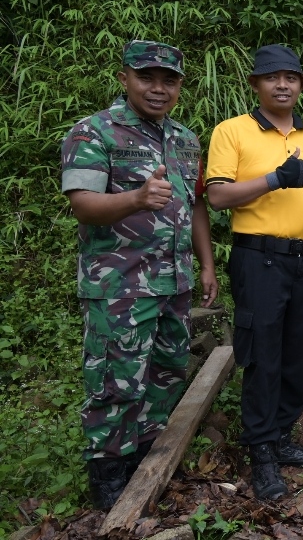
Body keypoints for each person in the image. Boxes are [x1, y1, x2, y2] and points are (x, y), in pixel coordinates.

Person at [61, 40, 218, 509]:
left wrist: (207, 265)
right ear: (124, 78)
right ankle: (109, 471)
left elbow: (195, 208)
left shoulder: (185, 139)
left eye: (168, 80)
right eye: (146, 77)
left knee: (168, 369)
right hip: (120, 285)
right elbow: (83, 206)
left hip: (175, 282)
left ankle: (147, 452)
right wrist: (134, 198)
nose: (157, 88)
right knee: (116, 381)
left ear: (179, 86)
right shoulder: (95, 132)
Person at [205, 44, 303, 500]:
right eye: (271, 77)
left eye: (290, 77)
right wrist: (272, 180)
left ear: (302, 84)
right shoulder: (233, 131)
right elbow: (218, 197)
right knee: (262, 353)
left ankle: (282, 435)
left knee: (298, 350)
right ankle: (261, 450)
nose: (281, 85)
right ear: (255, 85)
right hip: (259, 258)